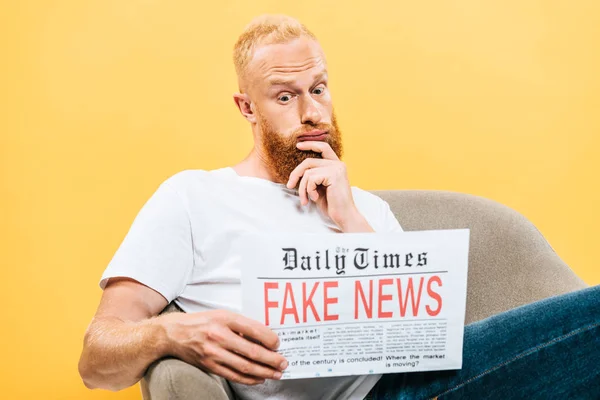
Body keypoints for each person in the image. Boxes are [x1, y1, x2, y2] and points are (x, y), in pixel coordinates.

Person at [78, 14, 599, 400]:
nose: (311, 112)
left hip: (425, 383)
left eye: (319, 89)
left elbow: (428, 337)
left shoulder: (366, 209)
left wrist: (350, 217)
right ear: (247, 108)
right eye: (285, 97)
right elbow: (96, 360)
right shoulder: (193, 197)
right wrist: (174, 331)